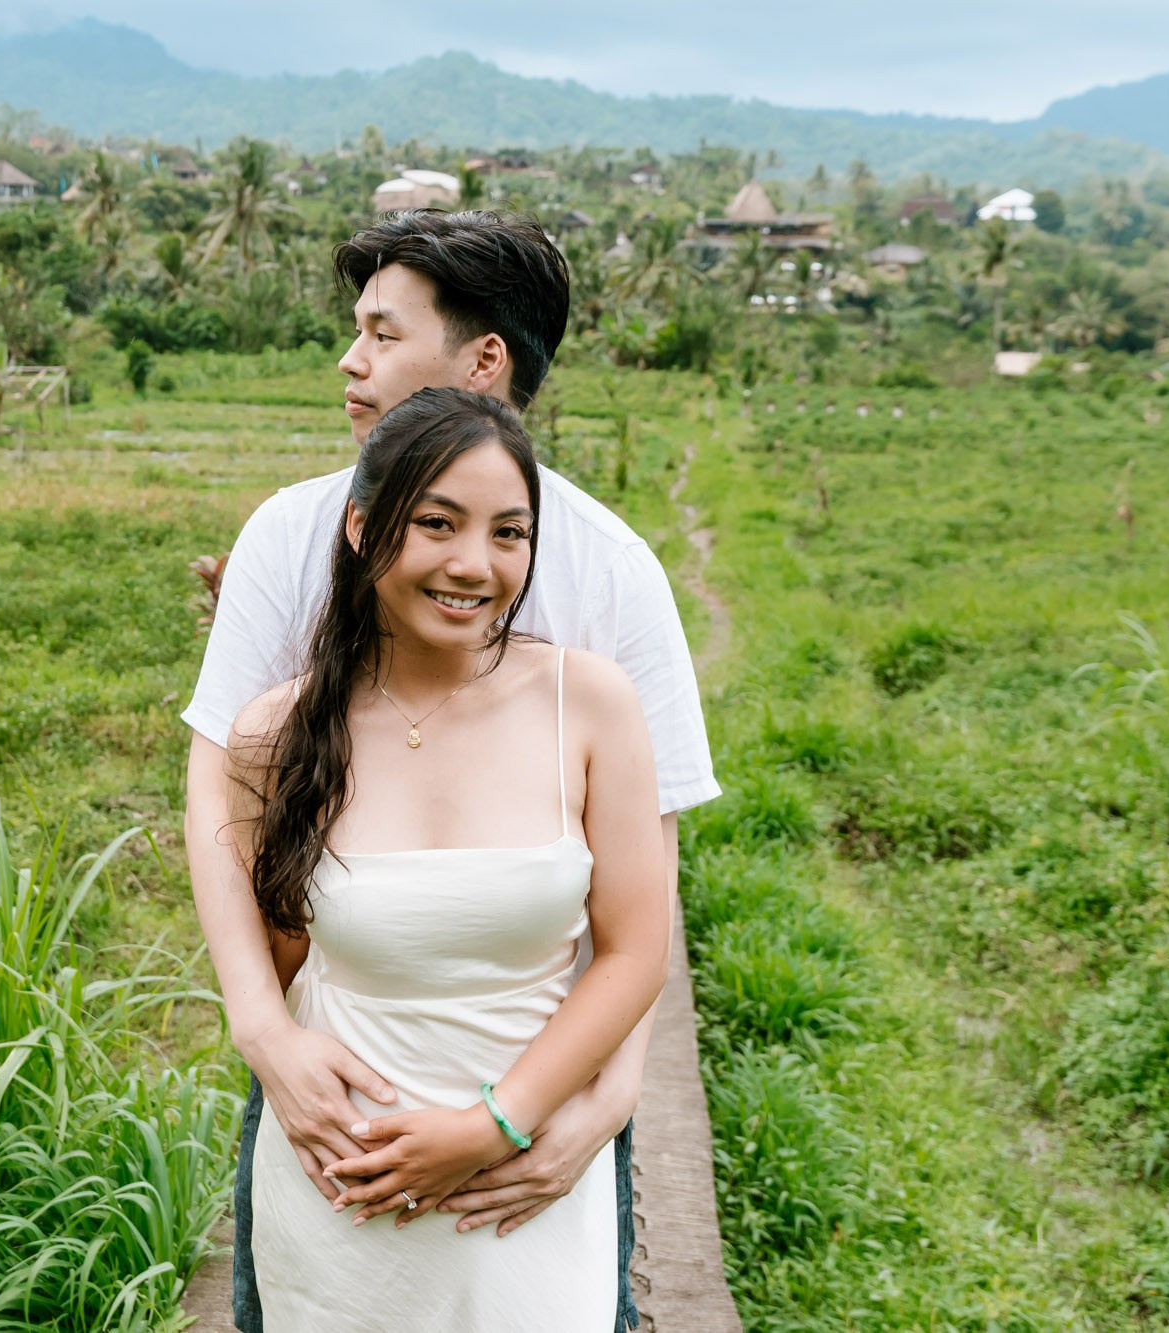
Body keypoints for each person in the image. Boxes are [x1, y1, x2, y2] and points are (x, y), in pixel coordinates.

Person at [181, 209, 718, 1331]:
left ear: (484, 363)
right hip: (341, 1074)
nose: (350, 358)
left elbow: (641, 896)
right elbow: (223, 794)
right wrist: (263, 1031)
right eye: (430, 524)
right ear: (369, 531)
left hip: (536, 1085)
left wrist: (595, 1101)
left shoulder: (611, 573)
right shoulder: (292, 532)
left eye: (381, 332)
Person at [223, 387, 668, 1330]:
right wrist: (280, 1057)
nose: (476, 564)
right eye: (436, 523)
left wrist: (492, 1124)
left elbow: (634, 952)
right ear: (360, 525)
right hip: (346, 1190)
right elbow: (277, 960)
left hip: (518, 1189)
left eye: (510, 532)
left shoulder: (587, 704)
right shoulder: (279, 732)